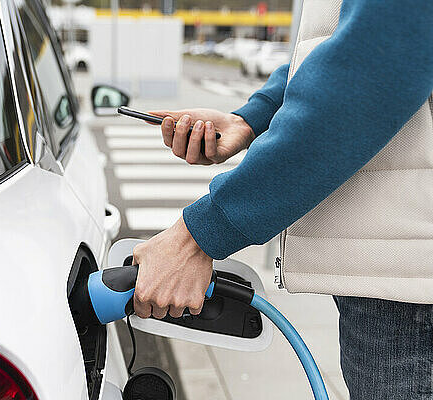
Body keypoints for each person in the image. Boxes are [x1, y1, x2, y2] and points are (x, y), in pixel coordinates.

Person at [131, 0, 433, 398]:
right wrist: (253, 117)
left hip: (412, 297)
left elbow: (373, 64)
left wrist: (197, 236)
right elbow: (341, 42)